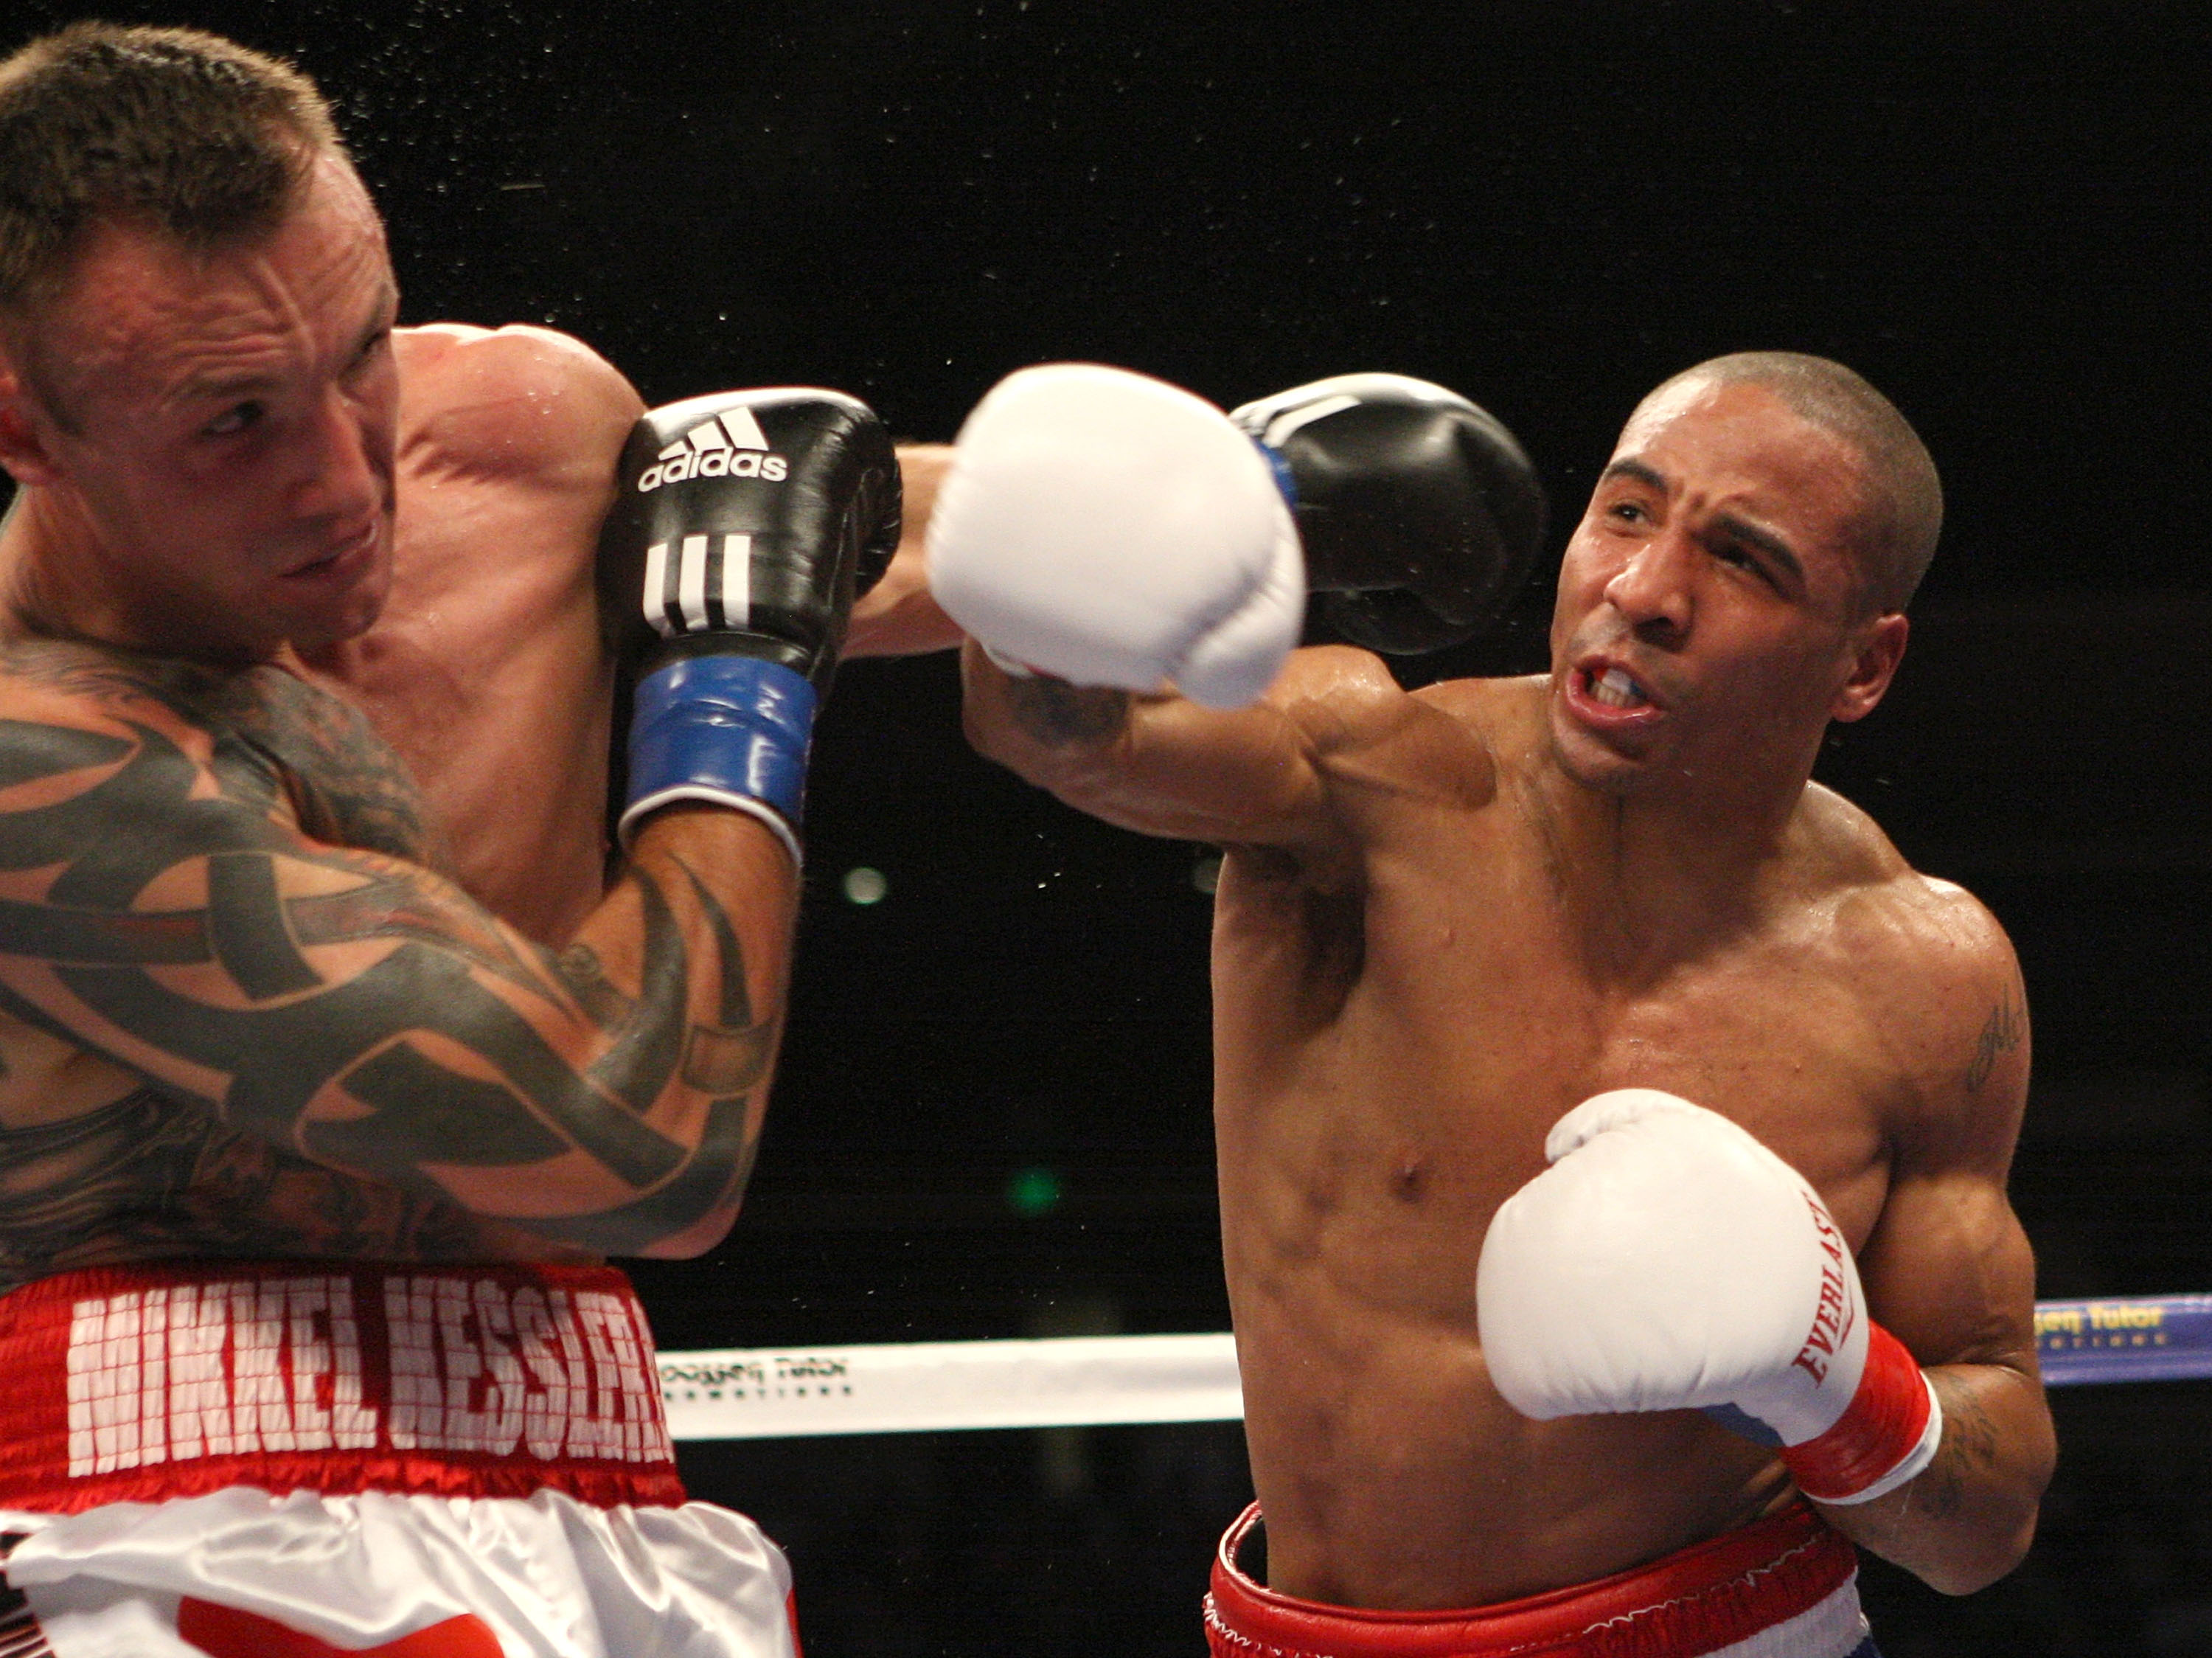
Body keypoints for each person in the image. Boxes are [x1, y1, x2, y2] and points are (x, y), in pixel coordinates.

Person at [0, 23, 932, 1656]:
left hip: (616, 1500)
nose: (342, 472)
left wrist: (1253, 498)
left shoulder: (511, 437)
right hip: (164, 1529)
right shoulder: (31, 764)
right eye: (233, 421)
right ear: (24, 421)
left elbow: (853, 526)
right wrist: (734, 678)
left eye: (359, 350)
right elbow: (642, 1135)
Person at [934, 356, 2056, 1656]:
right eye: (1627, 513)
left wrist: (1839, 1382)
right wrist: (1105, 548)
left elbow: (1987, 1522)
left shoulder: (1925, 972)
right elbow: (1055, 730)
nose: (1641, 593)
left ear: (1863, 667)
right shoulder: (1371, 779)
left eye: (1743, 560)